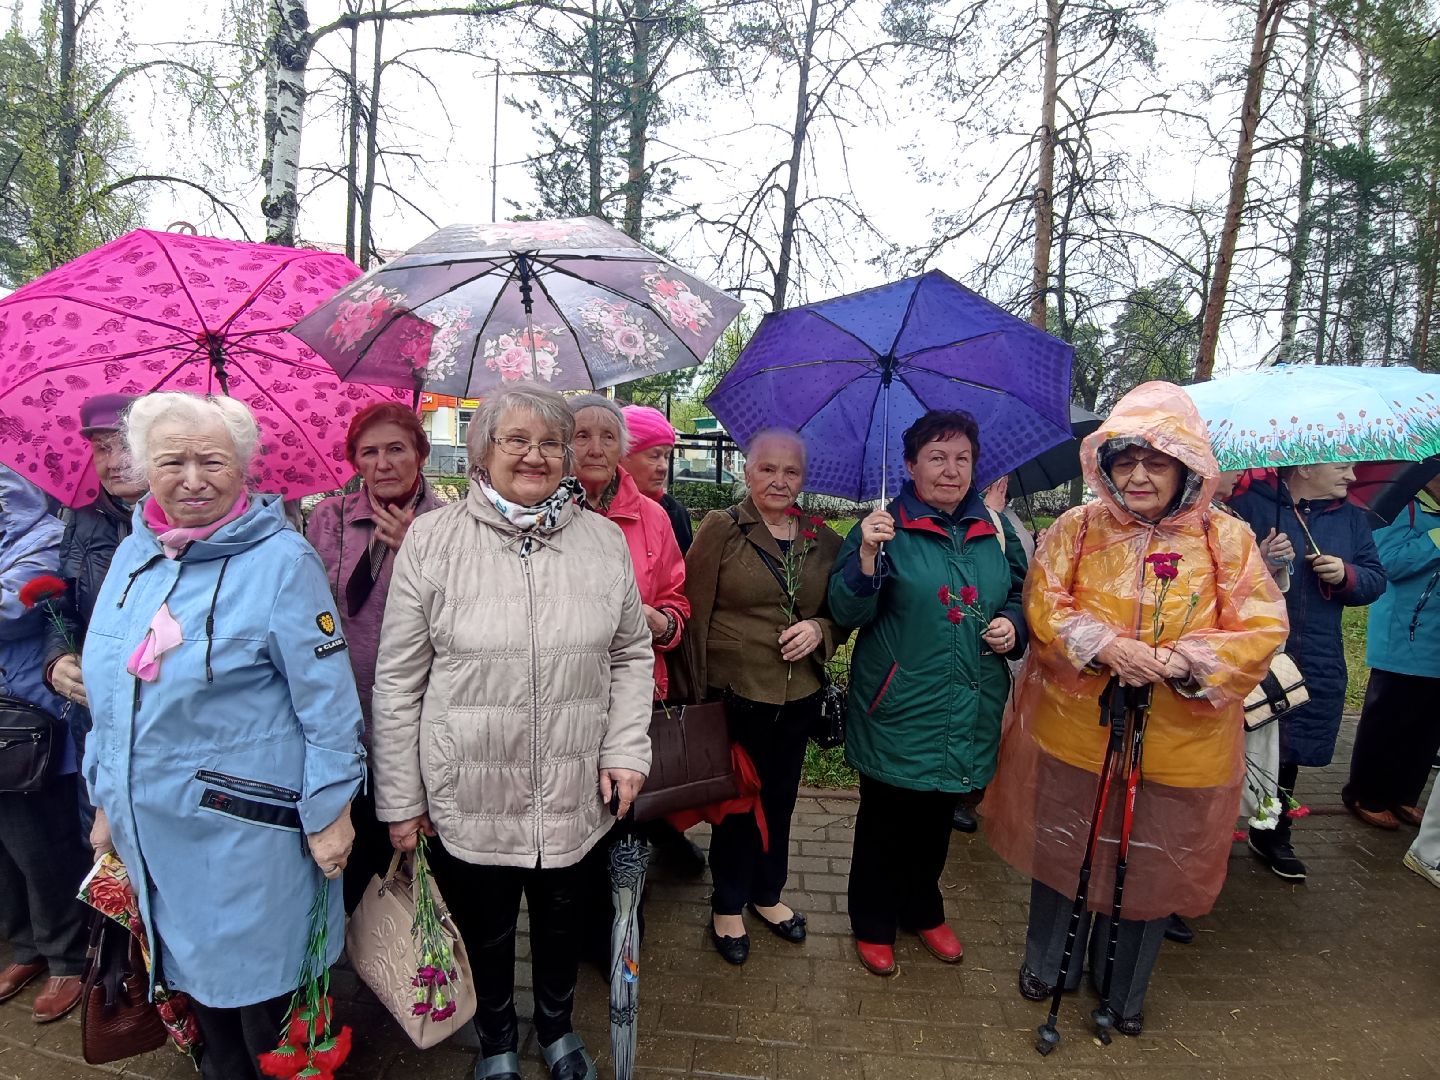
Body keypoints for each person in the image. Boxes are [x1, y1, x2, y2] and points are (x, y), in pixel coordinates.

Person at [985, 382, 1288, 1036]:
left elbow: (1260, 627)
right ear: (1107, 465)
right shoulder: (1077, 528)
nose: (1140, 475)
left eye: (1157, 461)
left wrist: (1183, 662)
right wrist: (1106, 647)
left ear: (1186, 466)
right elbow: (1044, 605)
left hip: (1182, 749)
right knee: (1067, 852)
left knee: (1149, 864)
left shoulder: (1224, 539)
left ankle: (1123, 988)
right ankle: (1051, 963)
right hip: (1077, 735)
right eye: (1127, 461)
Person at [371, 387, 653, 1080]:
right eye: (515, 440)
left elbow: (629, 654)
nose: (535, 454)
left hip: (572, 782)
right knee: (485, 928)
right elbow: (398, 681)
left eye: (550, 442)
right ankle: (497, 1040)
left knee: (564, 923)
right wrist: (401, 800)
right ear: (481, 451)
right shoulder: (434, 542)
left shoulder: (603, 540)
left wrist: (624, 747)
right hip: (469, 783)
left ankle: (556, 1030)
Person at [81, 394, 365, 1080]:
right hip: (154, 824)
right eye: (172, 461)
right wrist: (104, 799)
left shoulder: (283, 562)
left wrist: (331, 810)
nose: (192, 478)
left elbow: (329, 703)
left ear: (243, 470)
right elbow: (113, 694)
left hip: (248, 831)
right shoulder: (133, 557)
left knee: (266, 996)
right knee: (196, 988)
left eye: (212, 460)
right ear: (148, 468)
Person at [827, 410, 1027, 978]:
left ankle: (923, 906)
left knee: (938, 816)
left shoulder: (995, 527)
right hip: (899, 703)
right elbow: (848, 611)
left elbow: (1020, 592)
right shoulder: (883, 527)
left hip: (969, 700)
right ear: (911, 465)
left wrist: (1014, 625)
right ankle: (872, 920)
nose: (951, 469)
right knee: (886, 820)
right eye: (937, 457)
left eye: (962, 458)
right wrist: (866, 556)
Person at [686, 429, 843, 966]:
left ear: (804, 478)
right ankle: (727, 903)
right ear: (746, 472)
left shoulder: (822, 537)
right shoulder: (722, 529)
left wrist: (822, 628)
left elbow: (844, 608)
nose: (779, 481)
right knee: (736, 805)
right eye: (767, 469)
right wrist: (694, 699)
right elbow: (693, 612)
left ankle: (767, 893)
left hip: (797, 695)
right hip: (734, 694)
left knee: (781, 798)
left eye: (791, 472)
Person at [305, 401, 443, 911]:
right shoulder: (328, 519)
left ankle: (419, 966)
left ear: (420, 454)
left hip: (420, 716)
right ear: (355, 462)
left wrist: (418, 554)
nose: (383, 463)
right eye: (369, 452)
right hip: (346, 713)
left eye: (396, 449)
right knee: (354, 849)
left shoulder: (449, 526)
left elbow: (464, 618)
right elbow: (305, 608)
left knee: (417, 848)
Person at [1228, 461, 1385, 879]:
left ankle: (1274, 833)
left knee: (1289, 743)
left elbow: (1375, 578)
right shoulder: (1246, 508)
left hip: (1315, 651)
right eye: (1342, 466)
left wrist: (1347, 574)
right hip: (1252, 648)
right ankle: (1213, 832)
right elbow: (1216, 576)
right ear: (1307, 466)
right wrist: (1260, 559)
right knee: (1232, 741)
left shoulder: (1351, 519)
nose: (1352, 477)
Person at [0, 466, 90, 1024]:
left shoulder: (46, 540)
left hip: (34, 727)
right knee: (8, 847)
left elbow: (12, 612)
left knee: (43, 846)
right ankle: (25, 947)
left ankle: (67, 957)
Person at [41, 394, 146, 833]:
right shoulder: (82, 523)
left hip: (168, 721)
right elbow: (62, 607)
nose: (114, 461)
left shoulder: (201, 525)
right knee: (106, 852)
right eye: (102, 448)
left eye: (126, 445)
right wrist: (57, 660)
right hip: (98, 720)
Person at [1341, 475, 1440, 829]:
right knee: (1389, 719)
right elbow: (1388, 564)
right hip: (1403, 634)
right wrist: (1435, 539)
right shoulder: (1404, 509)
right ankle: (1365, 794)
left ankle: (1404, 795)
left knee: (1428, 725)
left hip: (1436, 642)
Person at [621, 404, 693, 553]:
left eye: (666, 456)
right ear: (622, 456)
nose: (664, 467)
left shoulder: (676, 513)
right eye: (654, 456)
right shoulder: (594, 510)